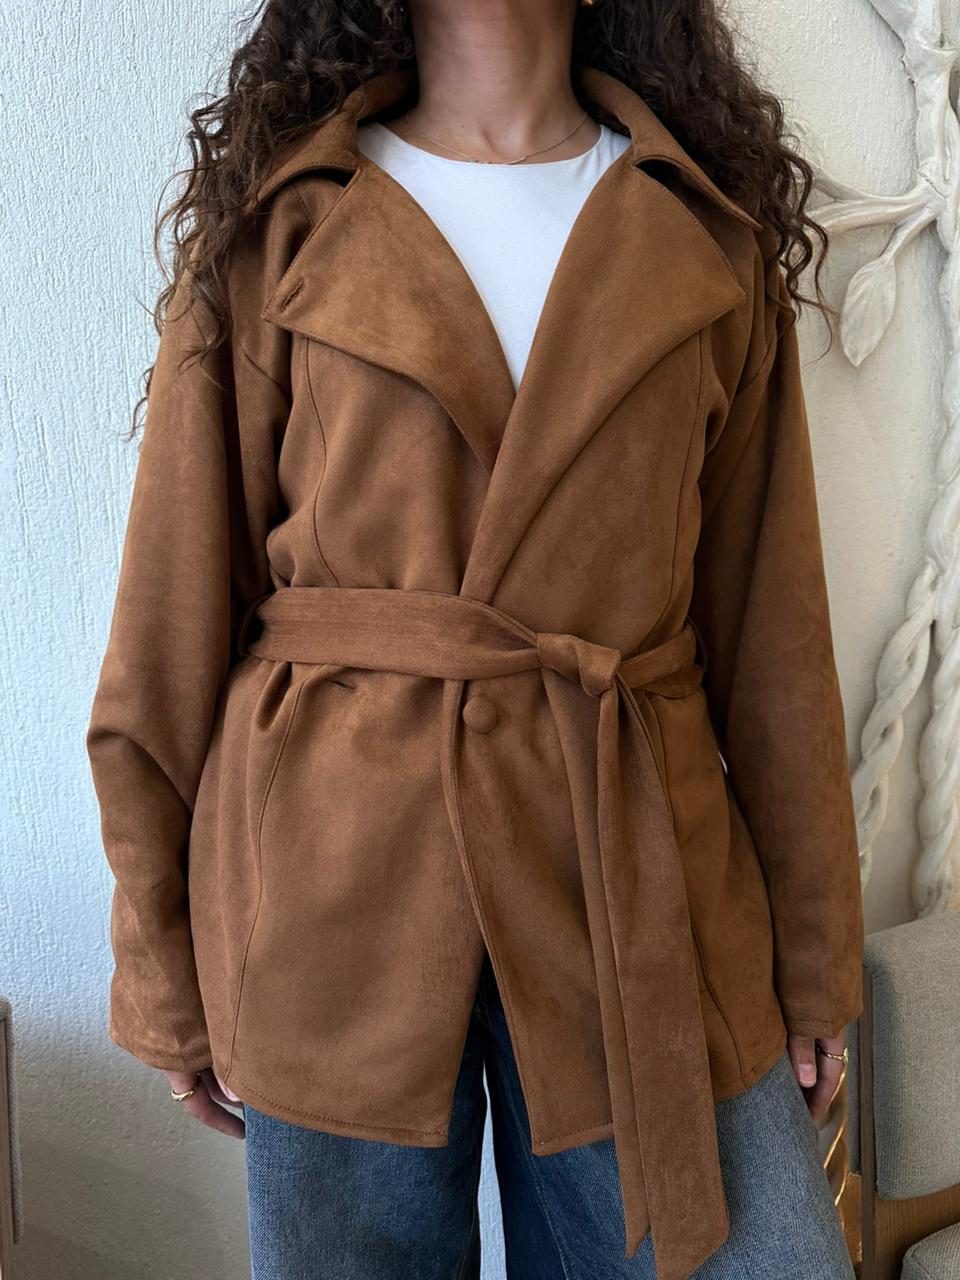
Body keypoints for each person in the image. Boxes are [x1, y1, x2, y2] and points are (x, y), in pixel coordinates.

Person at [85, 1, 866, 1277]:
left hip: (634, 870)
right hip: (334, 884)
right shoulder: (283, 223)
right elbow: (164, 626)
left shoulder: (702, 230)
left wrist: (813, 952)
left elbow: (772, 633)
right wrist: (160, 960)